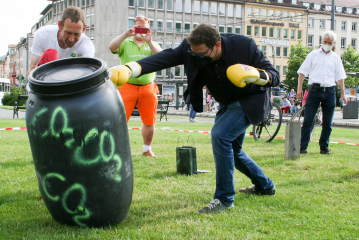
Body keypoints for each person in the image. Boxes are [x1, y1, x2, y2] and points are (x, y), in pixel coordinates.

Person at [109, 23, 280, 213]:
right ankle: (265, 186)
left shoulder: (244, 45)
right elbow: (163, 59)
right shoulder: (190, 49)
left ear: (217, 45)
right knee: (233, 150)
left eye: (202, 53)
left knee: (220, 136)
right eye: (194, 53)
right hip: (226, 102)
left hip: (249, 100)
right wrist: (130, 69)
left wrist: (255, 74)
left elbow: (275, 75)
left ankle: (224, 199)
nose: (197, 57)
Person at [108, 15, 162, 158]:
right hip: (127, 85)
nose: (141, 30)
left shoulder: (153, 44)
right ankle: (118, 149)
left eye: (144, 28)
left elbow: (161, 58)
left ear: (148, 28)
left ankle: (147, 149)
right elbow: (112, 47)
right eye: (138, 27)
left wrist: (149, 41)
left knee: (149, 120)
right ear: (133, 26)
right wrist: (126, 34)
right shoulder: (126, 43)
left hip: (148, 87)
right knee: (120, 120)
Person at [297, 30, 347, 155]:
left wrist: (343, 94)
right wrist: (299, 88)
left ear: (334, 43)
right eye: (325, 42)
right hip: (314, 90)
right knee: (308, 120)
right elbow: (302, 72)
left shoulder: (336, 58)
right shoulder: (313, 55)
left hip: (330, 91)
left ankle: (324, 147)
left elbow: (340, 77)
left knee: (328, 122)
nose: (327, 44)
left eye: (329, 43)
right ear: (321, 41)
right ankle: (303, 147)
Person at [29, 6, 95, 74]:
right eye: (68, 33)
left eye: (76, 34)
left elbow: (88, 72)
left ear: (83, 29)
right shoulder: (42, 35)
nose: (71, 39)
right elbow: (32, 71)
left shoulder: (86, 45)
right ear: (60, 25)